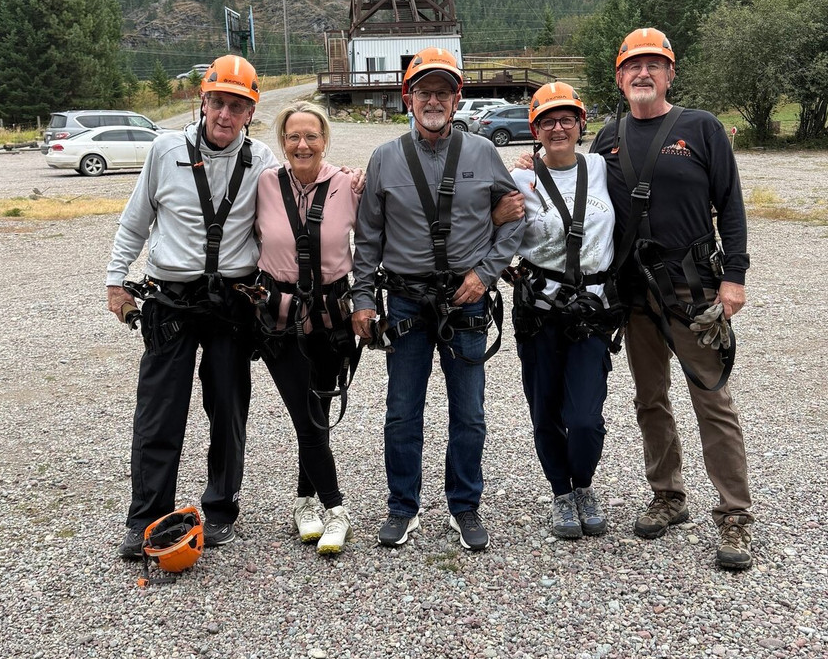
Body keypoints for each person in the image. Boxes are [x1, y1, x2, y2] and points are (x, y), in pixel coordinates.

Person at [590, 27, 754, 570]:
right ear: (620, 77)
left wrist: (734, 276)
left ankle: (734, 514)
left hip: (693, 290)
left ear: (669, 74)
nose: (643, 73)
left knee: (712, 397)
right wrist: (529, 170)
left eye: (653, 65)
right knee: (650, 398)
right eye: (633, 66)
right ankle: (668, 494)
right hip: (634, 292)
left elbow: (730, 204)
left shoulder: (701, 128)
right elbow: (583, 200)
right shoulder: (607, 139)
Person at [351, 47, 525, 551]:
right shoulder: (384, 159)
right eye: (424, 91)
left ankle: (464, 506)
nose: (433, 100)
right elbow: (368, 238)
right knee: (402, 411)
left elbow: (514, 217)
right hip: (406, 302)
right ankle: (402, 507)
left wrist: (486, 274)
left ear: (457, 98)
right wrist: (363, 298)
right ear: (408, 98)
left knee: (469, 413)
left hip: (466, 302)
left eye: (443, 92)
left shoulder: (483, 153)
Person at [107, 54, 278, 560]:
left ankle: (221, 508)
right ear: (202, 101)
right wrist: (115, 282)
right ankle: (146, 517)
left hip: (231, 304)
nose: (225, 115)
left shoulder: (263, 161)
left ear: (250, 112)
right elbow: (135, 221)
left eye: (237, 106)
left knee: (228, 408)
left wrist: (348, 182)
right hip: (170, 300)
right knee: (159, 412)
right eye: (218, 102)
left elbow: (295, 203)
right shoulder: (164, 151)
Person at [507, 82, 618, 540]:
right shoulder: (519, 180)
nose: (558, 128)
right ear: (534, 129)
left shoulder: (602, 167)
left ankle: (584, 484)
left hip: (591, 311)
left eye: (566, 119)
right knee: (545, 409)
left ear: (580, 124)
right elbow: (485, 224)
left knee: (585, 418)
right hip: (540, 311)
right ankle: (562, 492)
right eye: (547, 121)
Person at [252, 101, 360, 556]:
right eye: (293, 136)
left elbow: (375, 239)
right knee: (308, 416)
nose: (302, 144)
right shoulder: (263, 184)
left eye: (311, 136)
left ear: (325, 140)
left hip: (332, 321)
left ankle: (304, 502)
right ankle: (336, 508)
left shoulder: (349, 185)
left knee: (316, 415)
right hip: (279, 322)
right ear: (282, 142)